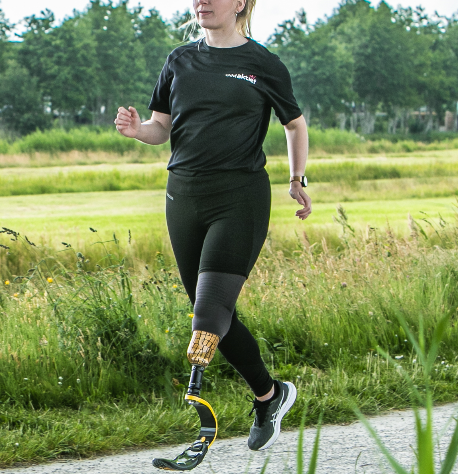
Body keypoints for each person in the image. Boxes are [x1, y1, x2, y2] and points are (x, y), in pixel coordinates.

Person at [114, 0, 312, 457]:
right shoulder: (179, 60)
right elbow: (161, 127)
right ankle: (269, 395)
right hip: (183, 198)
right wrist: (135, 130)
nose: (201, 2)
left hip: (240, 198)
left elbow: (295, 124)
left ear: (240, 2)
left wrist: (296, 180)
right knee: (214, 314)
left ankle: (201, 405)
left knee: (207, 316)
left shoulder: (262, 63)